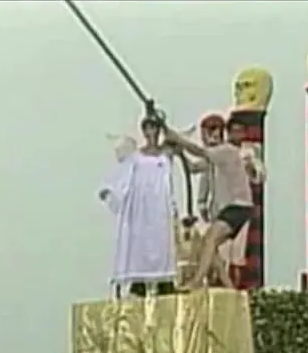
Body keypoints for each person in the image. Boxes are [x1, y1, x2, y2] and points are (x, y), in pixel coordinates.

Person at [165, 113, 262, 290]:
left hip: (237, 206)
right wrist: (181, 154)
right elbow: (193, 168)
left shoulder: (227, 151)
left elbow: (199, 151)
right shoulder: (215, 157)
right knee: (209, 244)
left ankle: (196, 281)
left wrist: (178, 139)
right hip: (226, 209)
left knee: (213, 241)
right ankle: (229, 286)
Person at [98, 115, 177, 298]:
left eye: (154, 128)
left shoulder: (165, 156)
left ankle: (164, 281)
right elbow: (124, 179)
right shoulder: (136, 158)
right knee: (139, 240)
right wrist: (112, 193)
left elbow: (169, 176)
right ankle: (139, 281)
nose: (151, 132)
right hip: (141, 205)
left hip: (160, 204)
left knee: (161, 239)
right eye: (147, 128)